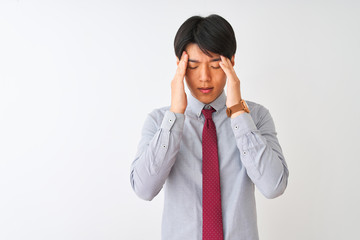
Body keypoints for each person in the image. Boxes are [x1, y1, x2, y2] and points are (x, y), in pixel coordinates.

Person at [130, 14, 289, 240]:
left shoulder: (257, 117)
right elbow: (144, 189)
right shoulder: (159, 121)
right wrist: (175, 114)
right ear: (180, 66)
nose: (204, 77)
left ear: (231, 62)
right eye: (193, 66)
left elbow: (274, 186)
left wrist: (237, 112)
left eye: (215, 65)